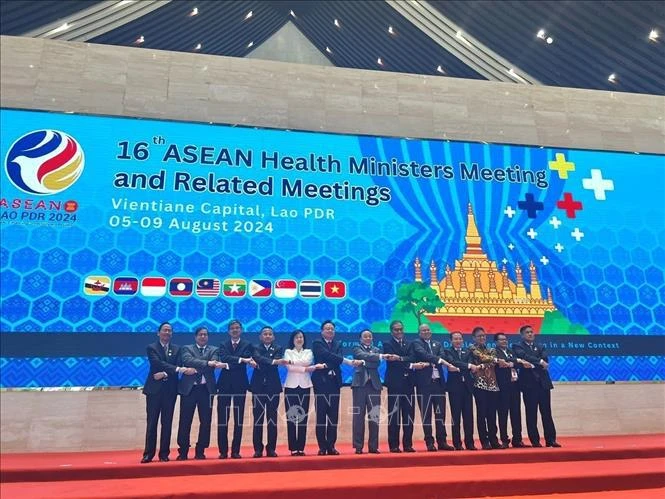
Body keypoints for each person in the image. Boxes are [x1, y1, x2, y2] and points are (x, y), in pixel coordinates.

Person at [141, 322, 192, 463]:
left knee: (167, 423)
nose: (167, 333)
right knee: (152, 423)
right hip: (154, 391)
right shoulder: (151, 348)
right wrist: (174, 370)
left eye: (169, 331)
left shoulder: (177, 349)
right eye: (164, 330)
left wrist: (164, 373)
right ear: (158, 333)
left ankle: (164, 454)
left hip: (170, 391)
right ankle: (148, 454)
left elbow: (178, 365)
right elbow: (156, 364)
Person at [311, 320, 362, 455]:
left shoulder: (338, 344)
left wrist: (327, 365)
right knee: (321, 417)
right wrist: (345, 361)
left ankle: (331, 446)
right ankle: (322, 447)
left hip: (334, 383)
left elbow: (335, 359)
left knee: (333, 417)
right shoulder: (317, 343)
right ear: (322, 331)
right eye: (327, 329)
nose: (329, 331)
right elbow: (326, 356)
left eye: (332, 329)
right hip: (321, 384)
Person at [176, 326, 228, 460]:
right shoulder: (186, 348)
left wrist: (206, 364)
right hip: (189, 389)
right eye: (200, 334)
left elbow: (213, 363)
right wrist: (207, 363)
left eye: (205, 334)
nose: (203, 336)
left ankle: (200, 450)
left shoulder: (214, 350)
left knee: (205, 421)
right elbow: (188, 360)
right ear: (195, 337)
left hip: (206, 389)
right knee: (185, 421)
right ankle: (183, 451)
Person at [382, 320, 428, 453]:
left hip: (409, 384)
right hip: (395, 384)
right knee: (394, 416)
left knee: (408, 415)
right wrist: (409, 363)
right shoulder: (387, 344)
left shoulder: (409, 343)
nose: (399, 332)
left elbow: (412, 357)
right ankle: (394, 445)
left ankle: (407, 444)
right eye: (396, 330)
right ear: (391, 331)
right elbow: (392, 362)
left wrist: (401, 359)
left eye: (401, 329)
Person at [513, 324, 561, 448]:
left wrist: (533, 363)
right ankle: (535, 441)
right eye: (527, 332)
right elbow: (524, 357)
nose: (530, 334)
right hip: (529, 385)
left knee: (546, 413)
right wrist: (539, 362)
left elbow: (545, 359)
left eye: (531, 332)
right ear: (522, 335)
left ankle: (551, 440)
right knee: (531, 413)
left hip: (543, 384)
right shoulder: (517, 346)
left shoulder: (540, 346)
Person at [412, 323, 457, 451]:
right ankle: (429, 442)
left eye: (428, 330)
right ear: (419, 333)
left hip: (438, 384)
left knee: (440, 414)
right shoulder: (417, 343)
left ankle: (442, 441)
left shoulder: (437, 344)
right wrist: (437, 360)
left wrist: (436, 360)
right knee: (426, 415)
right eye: (423, 330)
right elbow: (423, 355)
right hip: (424, 384)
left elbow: (442, 356)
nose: (426, 332)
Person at [216, 320, 257, 459]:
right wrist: (241, 360)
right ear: (228, 331)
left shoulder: (247, 344)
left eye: (237, 328)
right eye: (232, 328)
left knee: (238, 419)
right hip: (224, 385)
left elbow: (231, 360)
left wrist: (227, 365)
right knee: (223, 419)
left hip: (240, 385)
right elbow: (224, 357)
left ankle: (235, 451)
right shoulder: (223, 344)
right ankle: (222, 451)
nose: (235, 330)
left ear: (241, 330)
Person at [283, 330, 325, 456]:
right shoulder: (288, 351)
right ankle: (293, 448)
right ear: (293, 339)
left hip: (305, 386)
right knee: (291, 418)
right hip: (290, 386)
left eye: (301, 337)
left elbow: (307, 361)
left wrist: (294, 363)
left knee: (303, 417)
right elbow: (289, 367)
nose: (299, 339)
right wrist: (306, 369)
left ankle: (300, 447)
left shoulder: (309, 352)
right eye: (297, 337)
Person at [250, 326, 288, 458]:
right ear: (260, 336)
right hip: (258, 387)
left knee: (272, 419)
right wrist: (272, 361)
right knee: (258, 419)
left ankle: (271, 448)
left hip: (273, 387)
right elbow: (258, 358)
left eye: (270, 334)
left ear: (273, 337)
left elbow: (267, 361)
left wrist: (267, 361)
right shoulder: (254, 347)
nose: (267, 336)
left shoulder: (278, 348)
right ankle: (258, 449)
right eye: (265, 334)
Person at [351, 329, 385, 454]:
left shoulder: (376, 350)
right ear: (360, 338)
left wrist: (365, 362)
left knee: (374, 417)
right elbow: (362, 356)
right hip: (360, 385)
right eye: (365, 336)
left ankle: (373, 446)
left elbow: (375, 364)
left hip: (374, 385)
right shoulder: (356, 348)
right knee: (358, 417)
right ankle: (358, 446)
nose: (368, 338)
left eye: (370, 336)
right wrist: (367, 360)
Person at [444, 331, 479, 450]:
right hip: (454, 388)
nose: (458, 341)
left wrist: (464, 366)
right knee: (456, 417)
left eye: (460, 339)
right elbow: (452, 362)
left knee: (468, 416)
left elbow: (470, 363)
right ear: (451, 341)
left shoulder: (468, 351)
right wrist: (468, 366)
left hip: (468, 387)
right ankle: (457, 443)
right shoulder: (447, 351)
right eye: (455, 339)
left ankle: (470, 443)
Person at [469, 326, 501, 450]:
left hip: (492, 384)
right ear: (473, 338)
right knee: (482, 413)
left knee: (492, 414)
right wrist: (489, 362)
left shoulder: (491, 349)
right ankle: (484, 441)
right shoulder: (471, 349)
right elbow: (486, 359)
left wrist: (482, 365)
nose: (482, 338)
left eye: (483, 336)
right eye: (479, 336)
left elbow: (492, 362)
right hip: (479, 384)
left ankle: (494, 439)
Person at [494, 332, 525, 448]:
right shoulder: (494, 352)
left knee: (516, 413)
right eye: (501, 340)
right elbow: (501, 361)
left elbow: (518, 361)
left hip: (515, 386)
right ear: (496, 342)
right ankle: (504, 440)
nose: (504, 341)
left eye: (505, 339)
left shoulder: (511, 350)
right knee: (503, 414)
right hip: (502, 387)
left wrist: (512, 362)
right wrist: (512, 362)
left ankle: (517, 439)